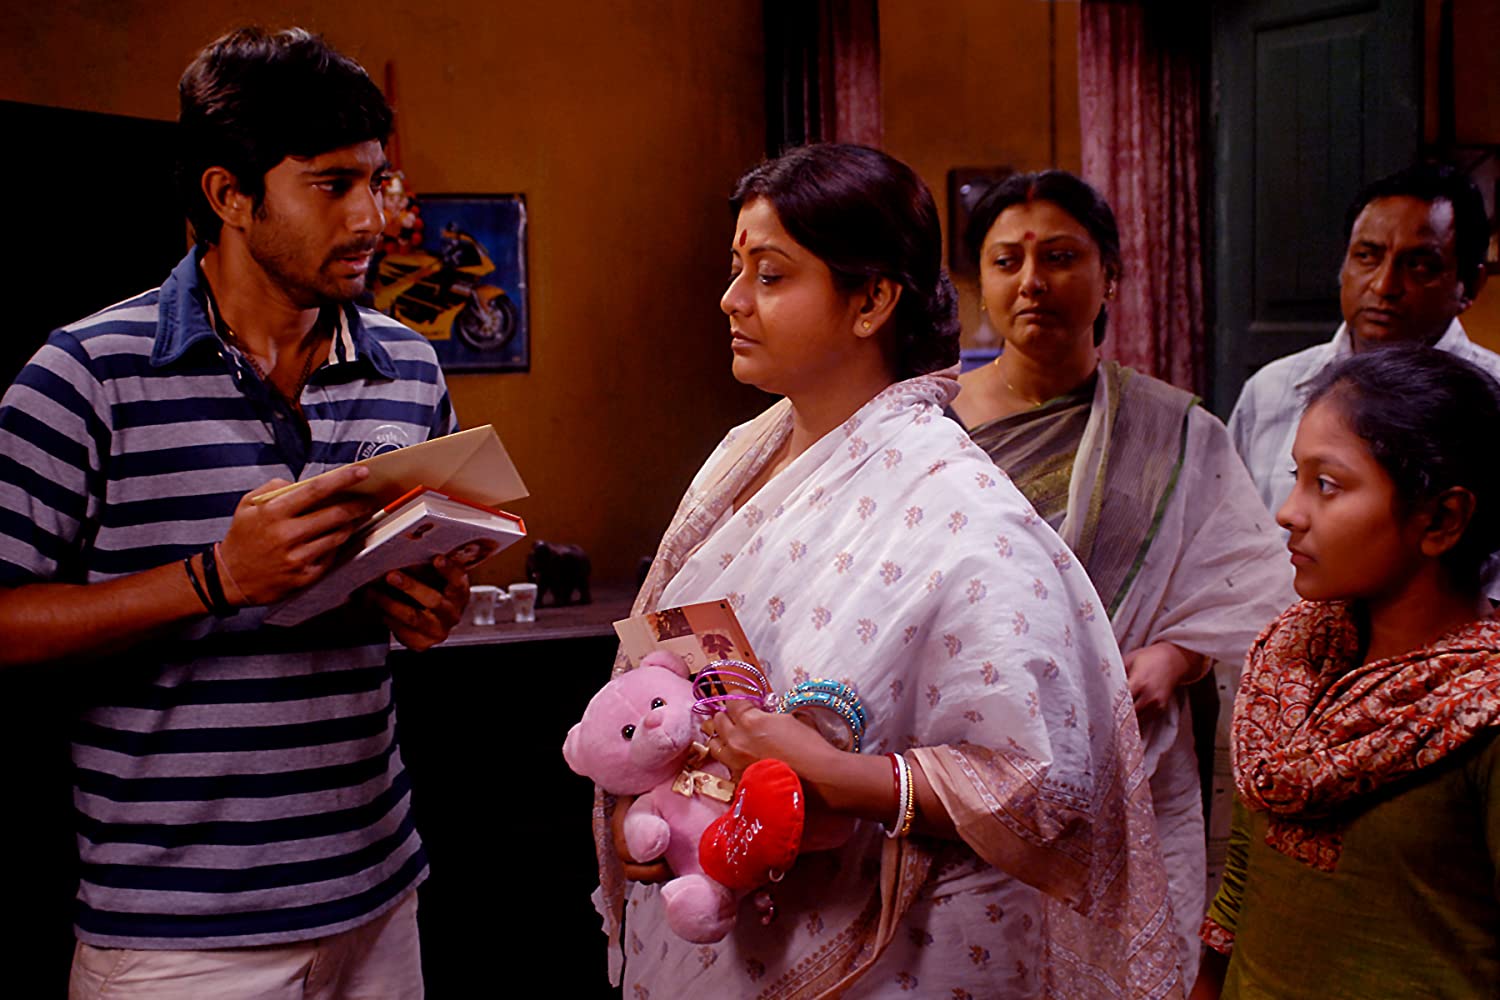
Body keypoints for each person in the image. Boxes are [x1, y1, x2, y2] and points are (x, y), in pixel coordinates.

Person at [592, 144, 1184, 999]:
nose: (732, 299)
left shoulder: (962, 512)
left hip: (897, 953)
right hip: (714, 908)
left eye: (770, 275)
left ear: (871, 300)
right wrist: (652, 802)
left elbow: (1038, 784)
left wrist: (832, 774)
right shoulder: (742, 457)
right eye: (736, 270)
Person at [0, 28, 467, 998]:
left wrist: (426, 600)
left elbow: (418, 574)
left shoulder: (411, 366)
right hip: (178, 938)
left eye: (377, 180)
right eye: (332, 185)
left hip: (381, 899)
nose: (372, 217)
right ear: (229, 195)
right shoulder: (84, 374)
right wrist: (216, 578)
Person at [947, 169, 1294, 980]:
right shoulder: (930, 425)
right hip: (963, 761)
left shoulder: (1175, 431)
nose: (1032, 282)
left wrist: (1177, 657)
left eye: (1060, 256)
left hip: (1129, 762)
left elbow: (1251, 589)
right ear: (980, 283)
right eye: (1006, 261)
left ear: (1110, 274)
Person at [1193, 348, 1500, 999]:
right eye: (1296, 476)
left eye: (1326, 485)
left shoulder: (1484, 709)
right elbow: (1241, 885)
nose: (1288, 511)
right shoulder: (1287, 666)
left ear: (1441, 519)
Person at [1228, 162, 1500, 523]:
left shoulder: (1493, 399)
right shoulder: (1269, 392)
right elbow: (1228, 539)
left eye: (1419, 265)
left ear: (1470, 286)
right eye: (1367, 256)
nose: (1384, 286)